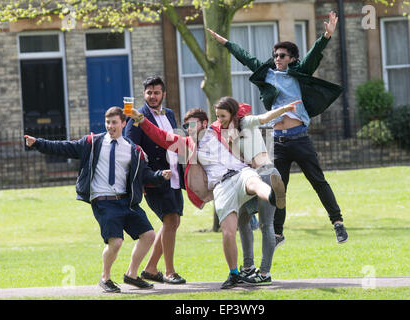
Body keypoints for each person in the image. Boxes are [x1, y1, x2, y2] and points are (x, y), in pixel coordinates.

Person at [207, 11, 348, 246]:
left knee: (318, 181)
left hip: (299, 138)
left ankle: (338, 223)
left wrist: (326, 35)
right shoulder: (267, 74)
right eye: (275, 55)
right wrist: (226, 43)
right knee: (278, 188)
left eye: (282, 55)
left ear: (292, 58)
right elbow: (246, 57)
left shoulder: (299, 72)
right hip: (278, 141)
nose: (277, 58)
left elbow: (314, 55)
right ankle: (279, 232)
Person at [127, 105, 286, 289]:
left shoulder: (219, 129)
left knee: (253, 181)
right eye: (186, 126)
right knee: (228, 231)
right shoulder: (187, 144)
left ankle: (273, 196)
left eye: (192, 125)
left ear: (204, 123)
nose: (188, 129)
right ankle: (234, 273)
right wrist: (142, 120)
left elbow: (238, 110)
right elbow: (161, 137)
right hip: (220, 185)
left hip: (240, 172)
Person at [24, 106, 171, 293]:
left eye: (114, 122)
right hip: (103, 201)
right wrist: (37, 142)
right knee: (116, 242)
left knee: (148, 235)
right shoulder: (92, 143)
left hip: (127, 201)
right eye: (107, 122)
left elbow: (145, 175)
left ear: (123, 123)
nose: (110, 126)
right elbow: (64, 147)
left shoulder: (133, 150)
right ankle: (105, 278)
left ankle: (132, 275)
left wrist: (160, 175)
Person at [211, 97, 299, 285]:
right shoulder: (228, 133)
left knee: (265, 225)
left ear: (233, 114)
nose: (219, 119)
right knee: (243, 221)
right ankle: (248, 268)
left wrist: (284, 109)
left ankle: (265, 273)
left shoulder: (246, 122)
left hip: (266, 174)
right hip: (248, 179)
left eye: (223, 116)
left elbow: (265, 118)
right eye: (217, 116)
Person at [125, 76, 187, 284]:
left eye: (156, 92)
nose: (152, 96)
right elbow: (132, 150)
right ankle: (169, 271)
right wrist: (140, 180)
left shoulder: (169, 114)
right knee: (170, 219)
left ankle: (151, 269)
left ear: (163, 94)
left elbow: (176, 142)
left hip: (175, 175)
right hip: (154, 177)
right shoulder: (136, 116)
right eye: (149, 93)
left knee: (173, 221)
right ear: (144, 94)